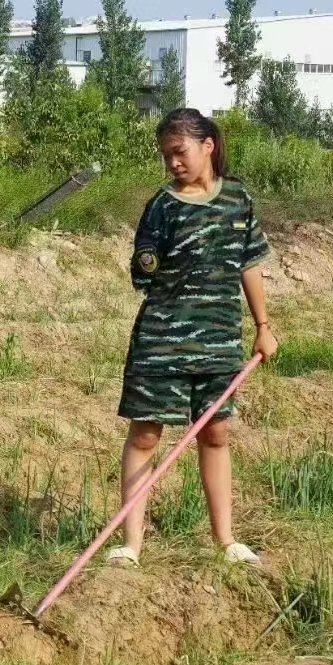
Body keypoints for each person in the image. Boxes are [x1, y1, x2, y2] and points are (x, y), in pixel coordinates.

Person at [107, 107, 278, 569]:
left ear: (209, 146)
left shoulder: (238, 199)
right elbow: (142, 273)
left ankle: (225, 542)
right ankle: (131, 545)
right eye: (166, 156)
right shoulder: (161, 206)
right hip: (162, 339)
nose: (173, 164)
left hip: (220, 338)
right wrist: (148, 261)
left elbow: (250, 263)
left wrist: (263, 328)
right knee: (145, 434)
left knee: (216, 433)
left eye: (179, 152)